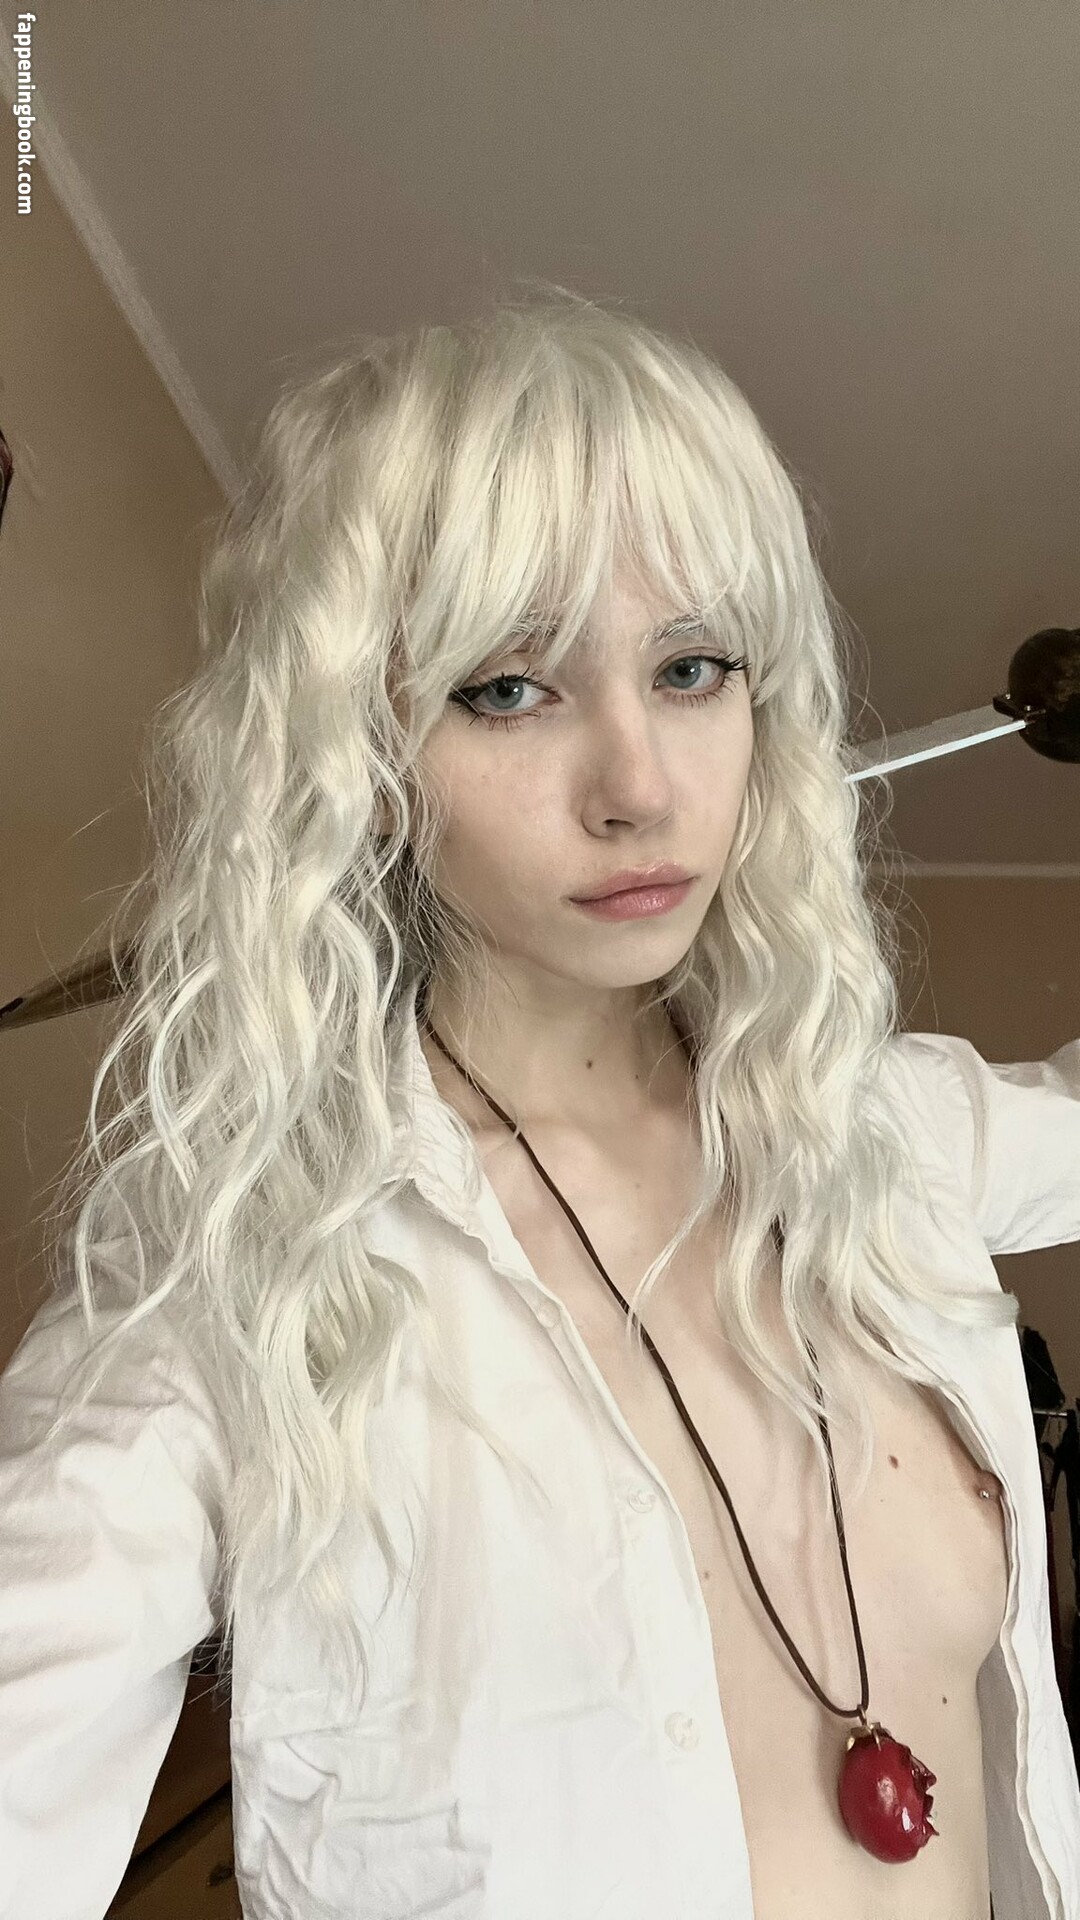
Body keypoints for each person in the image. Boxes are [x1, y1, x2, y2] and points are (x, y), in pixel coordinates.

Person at [1, 285, 1078, 1920]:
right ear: (361, 751)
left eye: (693, 668)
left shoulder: (887, 1138)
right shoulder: (238, 1284)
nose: (639, 786)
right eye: (507, 690)